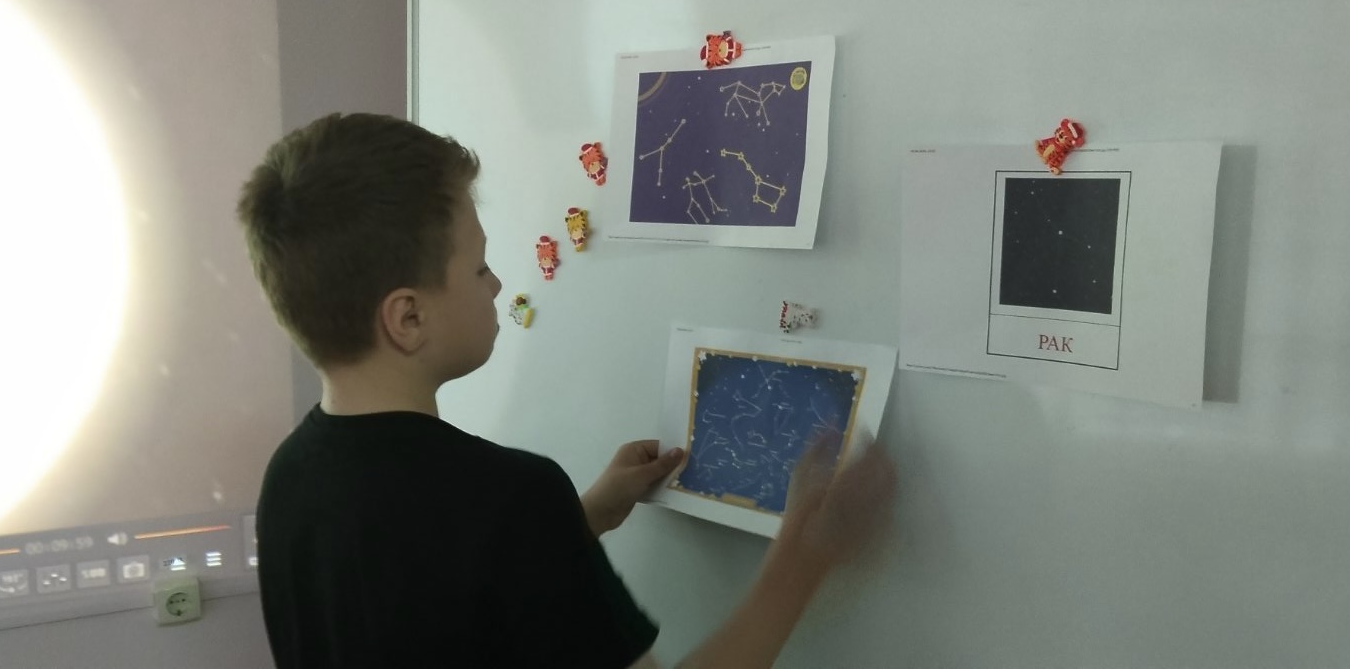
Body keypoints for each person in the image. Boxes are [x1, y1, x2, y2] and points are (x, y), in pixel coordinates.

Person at [236, 112, 896, 668]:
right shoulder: (512, 500)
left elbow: (431, 599)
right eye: (480, 267)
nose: (497, 284)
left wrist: (586, 517)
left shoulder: (289, 479)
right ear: (408, 318)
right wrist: (803, 558)